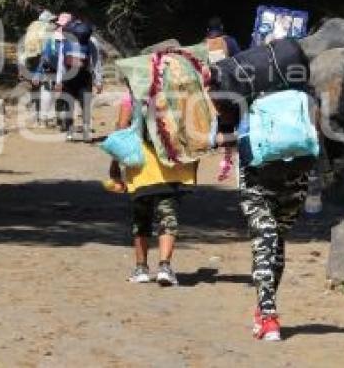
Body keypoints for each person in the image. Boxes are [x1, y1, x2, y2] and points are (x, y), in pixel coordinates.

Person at [210, 38, 318, 341]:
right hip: (296, 174)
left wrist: (223, 137)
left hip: (256, 173)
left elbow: (220, 135)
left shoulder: (242, 98)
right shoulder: (305, 93)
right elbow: (316, 135)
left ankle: (265, 312)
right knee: (273, 238)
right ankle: (268, 313)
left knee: (267, 239)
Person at [109, 91, 197, 286]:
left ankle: (141, 268)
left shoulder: (132, 94)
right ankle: (165, 266)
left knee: (141, 217)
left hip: (140, 166)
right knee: (168, 215)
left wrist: (115, 163)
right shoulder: (176, 90)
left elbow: (122, 128)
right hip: (171, 165)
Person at [54, 15, 103, 142]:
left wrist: (59, 81)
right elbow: (96, 62)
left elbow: (61, 62)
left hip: (68, 76)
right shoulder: (92, 41)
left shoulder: (65, 41)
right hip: (84, 76)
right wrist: (98, 80)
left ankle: (70, 132)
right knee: (85, 105)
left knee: (69, 104)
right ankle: (86, 132)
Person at [32, 12, 69, 128]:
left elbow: (44, 56)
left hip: (49, 69)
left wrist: (38, 73)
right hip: (62, 71)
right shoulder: (70, 39)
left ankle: (45, 120)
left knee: (47, 93)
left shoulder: (50, 36)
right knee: (60, 94)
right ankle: (58, 120)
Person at [20, 10, 56, 126]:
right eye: (51, 20)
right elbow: (49, 49)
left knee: (34, 89)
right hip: (42, 60)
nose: (53, 22)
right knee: (46, 88)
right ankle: (44, 119)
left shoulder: (31, 28)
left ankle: (33, 119)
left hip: (29, 60)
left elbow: (23, 47)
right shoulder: (49, 28)